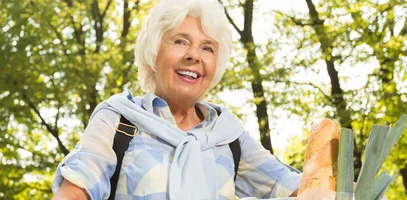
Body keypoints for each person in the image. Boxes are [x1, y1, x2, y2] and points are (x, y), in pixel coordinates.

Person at [51, 0, 302, 199]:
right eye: (180, 41)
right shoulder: (118, 120)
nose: (194, 55)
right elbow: (75, 192)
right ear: (152, 55)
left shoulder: (228, 134)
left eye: (207, 48)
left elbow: (298, 190)